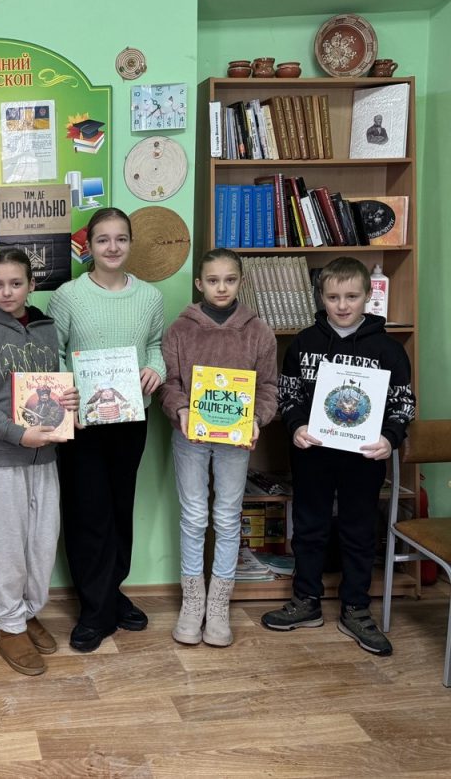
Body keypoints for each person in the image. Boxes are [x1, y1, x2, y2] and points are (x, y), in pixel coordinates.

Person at [261, 257, 415, 655]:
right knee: (309, 528)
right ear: (321, 297)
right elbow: (289, 394)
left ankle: (356, 608)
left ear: (368, 295)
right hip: (313, 453)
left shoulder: (388, 350)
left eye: (351, 297)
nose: (342, 305)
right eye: (333, 297)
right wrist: (296, 425)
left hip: (364, 457)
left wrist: (390, 438)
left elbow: (403, 404)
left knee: (359, 531)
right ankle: (306, 601)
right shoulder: (304, 344)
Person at [47, 207, 166, 652]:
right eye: (103, 239)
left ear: (130, 243)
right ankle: (94, 610)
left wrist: (156, 369)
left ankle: (112, 591)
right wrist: (67, 400)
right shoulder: (68, 295)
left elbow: (155, 346)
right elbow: (54, 353)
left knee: (119, 510)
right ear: (89, 246)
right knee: (87, 514)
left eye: (120, 239)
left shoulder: (150, 297)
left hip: (131, 419)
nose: (112, 247)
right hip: (83, 422)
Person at [0, 249, 79, 676]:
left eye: (15, 283)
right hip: (0, 459)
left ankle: (27, 613)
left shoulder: (46, 330)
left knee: (42, 543)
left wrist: (70, 400)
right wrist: (17, 433)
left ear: (31, 285)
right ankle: (9, 624)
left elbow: (56, 385)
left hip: (45, 455)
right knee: (8, 546)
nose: (6, 292)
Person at [159, 249, 278, 647]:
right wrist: (180, 410)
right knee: (194, 516)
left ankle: (219, 604)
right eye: (213, 280)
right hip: (189, 435)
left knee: (227, 518)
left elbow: (268, 387)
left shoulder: (258, 331)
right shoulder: (180, 329)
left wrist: (257, 418)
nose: (221, 287)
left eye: (229, 280)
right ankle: (193, 602)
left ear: (241, 282)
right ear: (199, 284)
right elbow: (169, 383)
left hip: (236, 438)